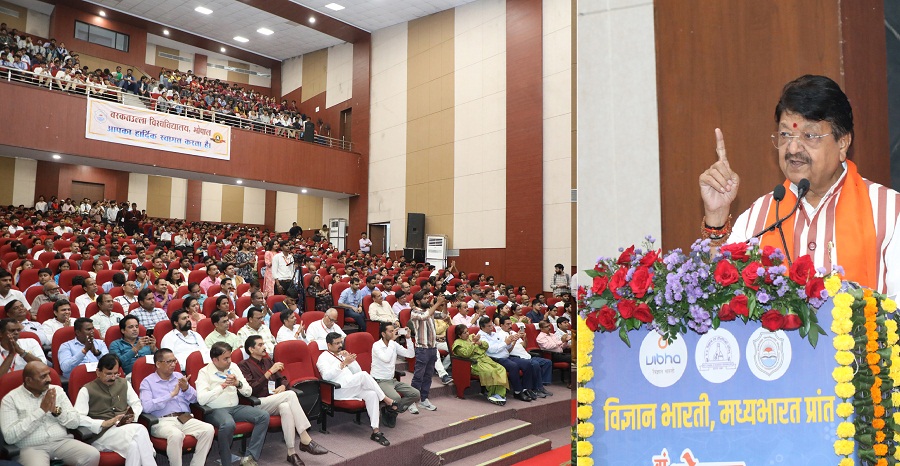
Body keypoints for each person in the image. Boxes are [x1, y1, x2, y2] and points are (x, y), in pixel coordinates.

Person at [698, 74, 900, 294]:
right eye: (785, 134)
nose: (793, 148)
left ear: (843, 143)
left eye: (809, 135)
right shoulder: (758, 217)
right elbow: (718, 299)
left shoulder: (889, 213)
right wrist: (716, 218)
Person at [237, 336, 328, 464]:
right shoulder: (243, 365)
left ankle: (291, 452)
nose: (264, 347)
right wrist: (269, 373)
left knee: (286, 407)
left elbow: (283, 378)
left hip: (275, 400)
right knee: (290, 395)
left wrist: (282, 385)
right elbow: (251, 389)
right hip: (258, 404)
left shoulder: (267, 361)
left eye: (264, 344)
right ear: (251, 349)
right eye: (260, 345)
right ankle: (305, 438)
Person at [0, 361, 101, 466]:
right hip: (31, 448)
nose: (49, 379)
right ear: (29, 380)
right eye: (43, 377)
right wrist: (41, 411)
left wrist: (55, 410)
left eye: (49, 374)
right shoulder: (10, 399)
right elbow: (10, 436)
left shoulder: (57, 391)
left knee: (92, 455)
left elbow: (75, 422)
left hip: (61, 442)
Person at [316, 332, 397, 446]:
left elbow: (357, 371)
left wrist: (349, 359)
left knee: (372, 394)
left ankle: (376, 431)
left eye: (341, 342)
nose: (340, 345)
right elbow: (326, 376)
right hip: (338, 389)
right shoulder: (323, 357)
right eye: (337, 343)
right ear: (329, 345)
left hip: (351, 386)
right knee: (364, 375)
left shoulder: (341, 354)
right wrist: (343, 363)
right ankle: (386, 399)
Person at [73, 354, 156, 465]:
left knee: (134, 446)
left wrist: (132, 416)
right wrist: (105, 423)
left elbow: (136, 403)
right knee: (140, 429)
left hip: (124, 429)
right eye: (108, 374)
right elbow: (78, 417)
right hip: (101, 435)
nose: (113, 377)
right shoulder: (86, 389)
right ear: (98, 372)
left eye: (115, 374)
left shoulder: (124, 383)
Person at [196, 342, 269, 466]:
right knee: (228, 424)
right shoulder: (204, 372)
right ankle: (226, 462)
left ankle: (250, 456)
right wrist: (222, 386)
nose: (229, 361)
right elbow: (201, 399)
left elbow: (248, 391)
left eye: (230, 357)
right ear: (215, 359)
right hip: (215, 410)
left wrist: (238, 384)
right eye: (225, 359)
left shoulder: (234, 367)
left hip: (235, 407)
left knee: (263, 416)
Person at [139, 348, 215, 466]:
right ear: (158, 364)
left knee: (208, 429)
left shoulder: (179, 376)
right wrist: (171, 395)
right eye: (169, 362)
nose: (173, 364)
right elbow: (146, 407)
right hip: (162, 421)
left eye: (174, 361)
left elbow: (196, 399)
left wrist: (186, 388)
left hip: (185, 417)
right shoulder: (148, 382)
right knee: (176, 435)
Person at [477, 317, 537, 402]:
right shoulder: (481, 336)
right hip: (495, 359)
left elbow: (506, 346)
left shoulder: (494, 334)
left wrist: (512, 340)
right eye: (488, 326)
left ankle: (526, 389)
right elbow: (491, 349)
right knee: (513, 366)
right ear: (482, 327)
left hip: (506, 356)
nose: (491, 328)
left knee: (526, 364)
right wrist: (505, 343)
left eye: (492, 325)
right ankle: (517, 391)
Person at [371, 322, 420, 425]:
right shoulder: (376, 345)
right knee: (396, 398)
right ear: (383, 334)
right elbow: (386, 359)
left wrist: (408, 339)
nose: (393, 333)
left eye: (394, 330)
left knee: (415, 394)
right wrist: (392, 342)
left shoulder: (393, 344)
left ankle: (391, 410)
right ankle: (392, 409)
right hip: (380, 380)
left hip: (392, 380)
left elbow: (410, 355)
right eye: (390, 331)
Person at [408, 292, 447, 412]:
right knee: (418, 376)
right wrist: (438, 303)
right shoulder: (415, 312)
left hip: (432, 348)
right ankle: (411, 401)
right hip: (422, 348)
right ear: (418, 301)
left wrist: (444, 303)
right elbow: (424, 316)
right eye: (425, 298)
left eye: (427, 298)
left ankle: (424, 399)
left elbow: (444, 315)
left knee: (428, 376)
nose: (428, 300)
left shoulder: (430, 311)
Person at [451, 324, 508, 405]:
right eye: (464, 333)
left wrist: (480, 343)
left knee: (501, 369)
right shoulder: (457, 344)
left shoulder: (472, 337)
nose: (467, 334)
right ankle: (491, 393)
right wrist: (473, 343)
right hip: (474, 363)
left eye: (467, 331)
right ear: (459, 335)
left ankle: (499, 394)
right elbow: (466, 354)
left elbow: (486, 346)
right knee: (491, 371)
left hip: (486, 360)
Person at [498, 317, 552, 397]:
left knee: (547, 362)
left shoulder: (513, 332)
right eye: (507, 324)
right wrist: (513, 342)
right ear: (501, 325)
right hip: (516, 357)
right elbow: (506, 351)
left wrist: (524, 338)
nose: (510, 326)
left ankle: (540, 386)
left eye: (510, 323)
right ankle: (537, 388)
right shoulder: (500, 335)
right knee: (535, 364)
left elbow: (524, 346)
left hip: (526, 355)